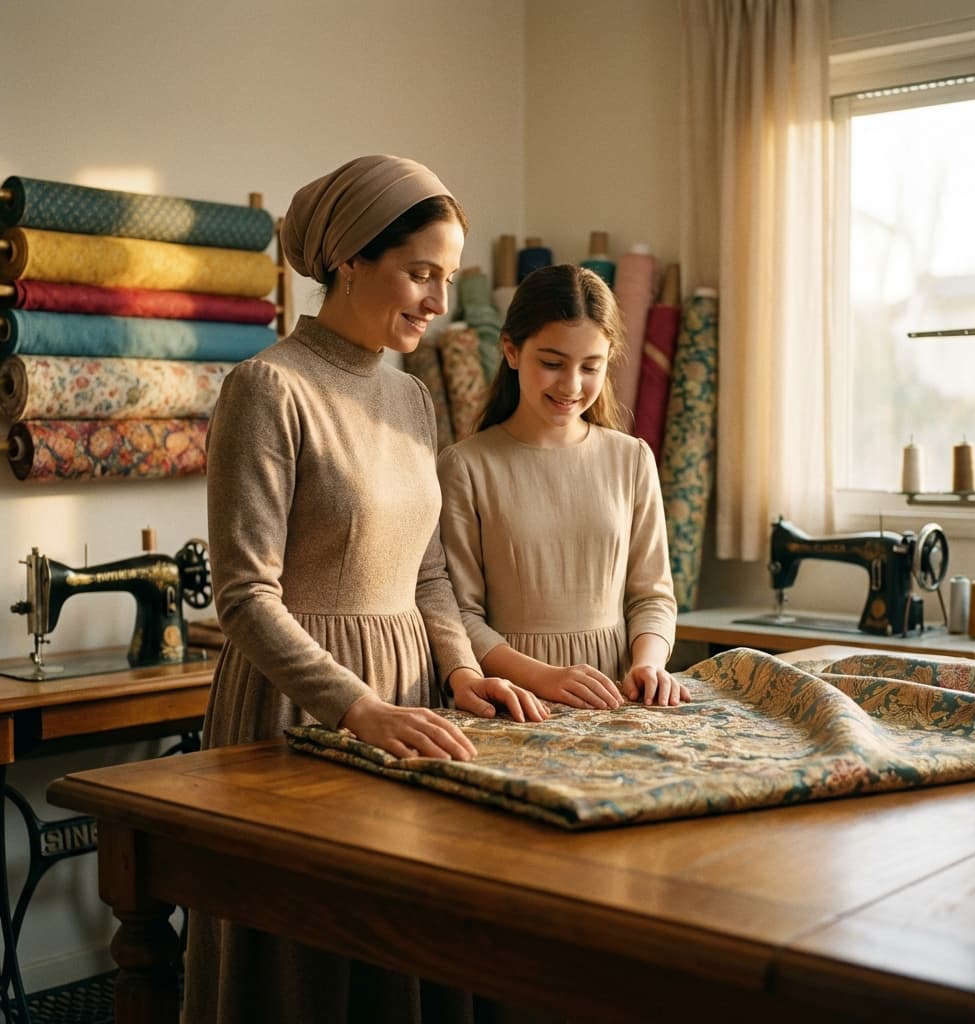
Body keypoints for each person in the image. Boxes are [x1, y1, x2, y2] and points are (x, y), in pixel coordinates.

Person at [183, 155, 547, 1024]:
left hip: (410, 699)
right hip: (300, 709)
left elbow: (427, 571)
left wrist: (460, 673)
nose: (438, 300)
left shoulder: (412, 398)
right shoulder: (268, 388)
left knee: (402, 949)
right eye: (421, 273)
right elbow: (244, 596)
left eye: (447, 278)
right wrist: (358, 709)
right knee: (305, 968)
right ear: (351, 258)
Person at [437, 264, 690, 710]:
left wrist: (648, 664)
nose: (571, 385)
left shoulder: (631, 459)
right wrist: (544, 678)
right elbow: (460, 615)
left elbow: (651, 596)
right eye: (552, 364)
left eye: (590, 366)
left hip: (616, 700)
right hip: (517, 702)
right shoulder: (465, 466)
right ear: (511, 351)